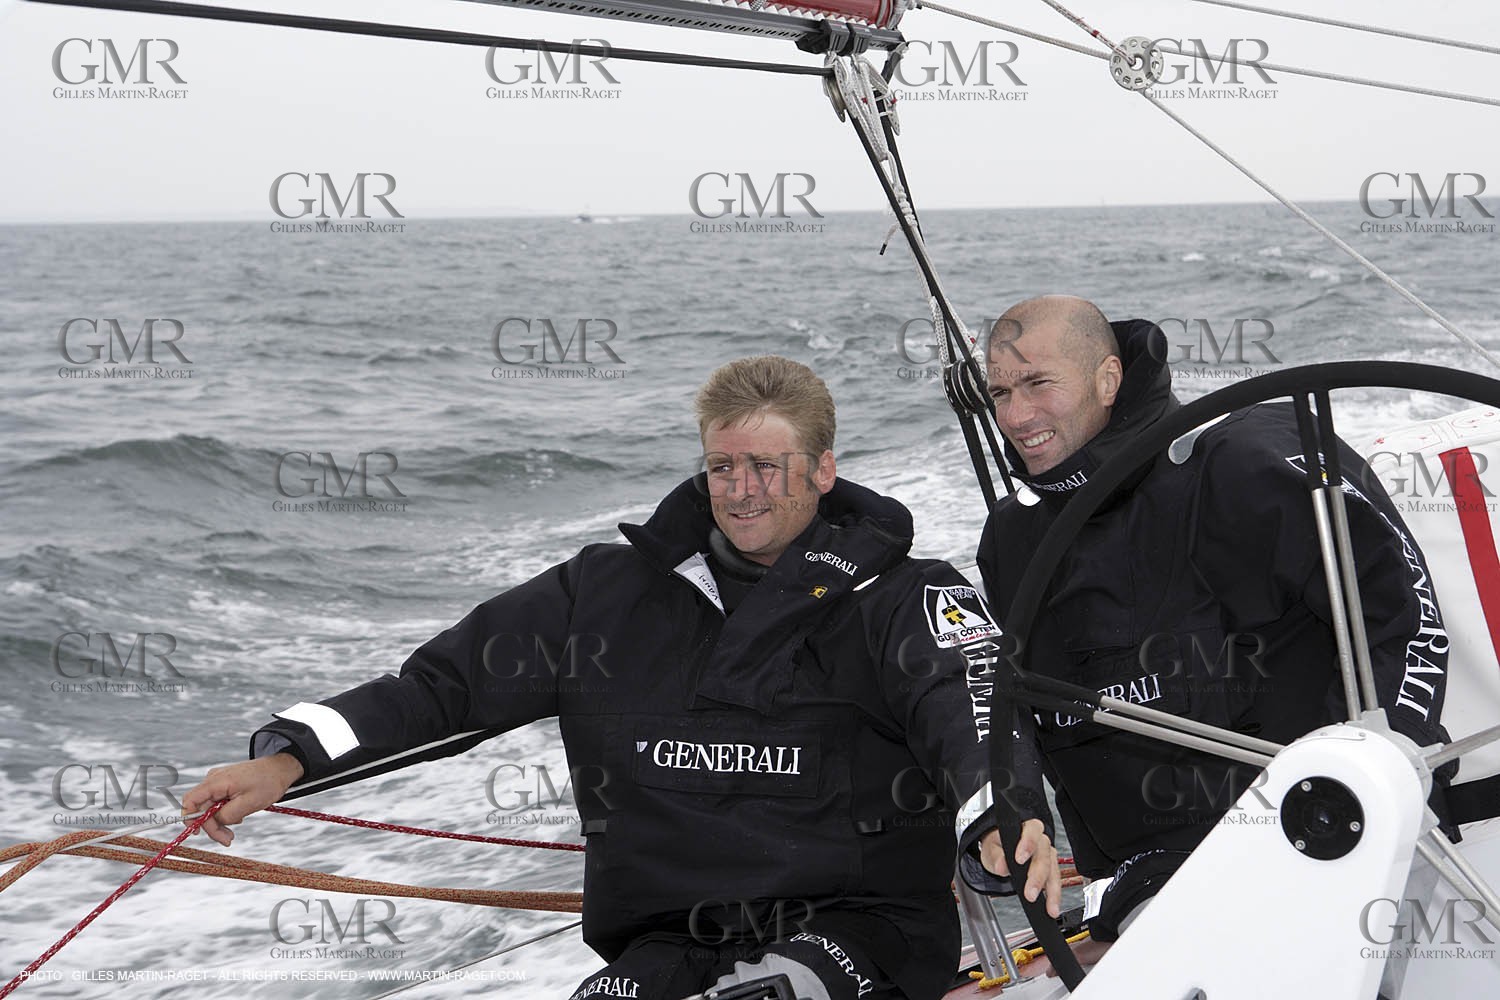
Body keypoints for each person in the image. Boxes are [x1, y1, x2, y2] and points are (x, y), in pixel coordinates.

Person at [181, 355, 1052, 1000]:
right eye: (721, 467)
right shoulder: (604, 592)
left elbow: (970, 707)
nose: (742, 491)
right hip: (666, 942)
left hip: (863, 932)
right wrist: (287, 759)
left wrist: (1002, 817)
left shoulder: (905, 595)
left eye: (767, 467)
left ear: (822, 471)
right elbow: (442, 687)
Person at [973, 295, 1453, 935]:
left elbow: (1406, 618)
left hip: (1336, 832)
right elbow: (1006, 699)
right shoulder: (1012, 541)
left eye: (1037, 384)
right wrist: (1013, 802)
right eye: (1000, 393)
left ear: (1107, 379)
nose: (1015, 415)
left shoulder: (1247, 465)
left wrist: (1375, 769)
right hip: (1154, 878)